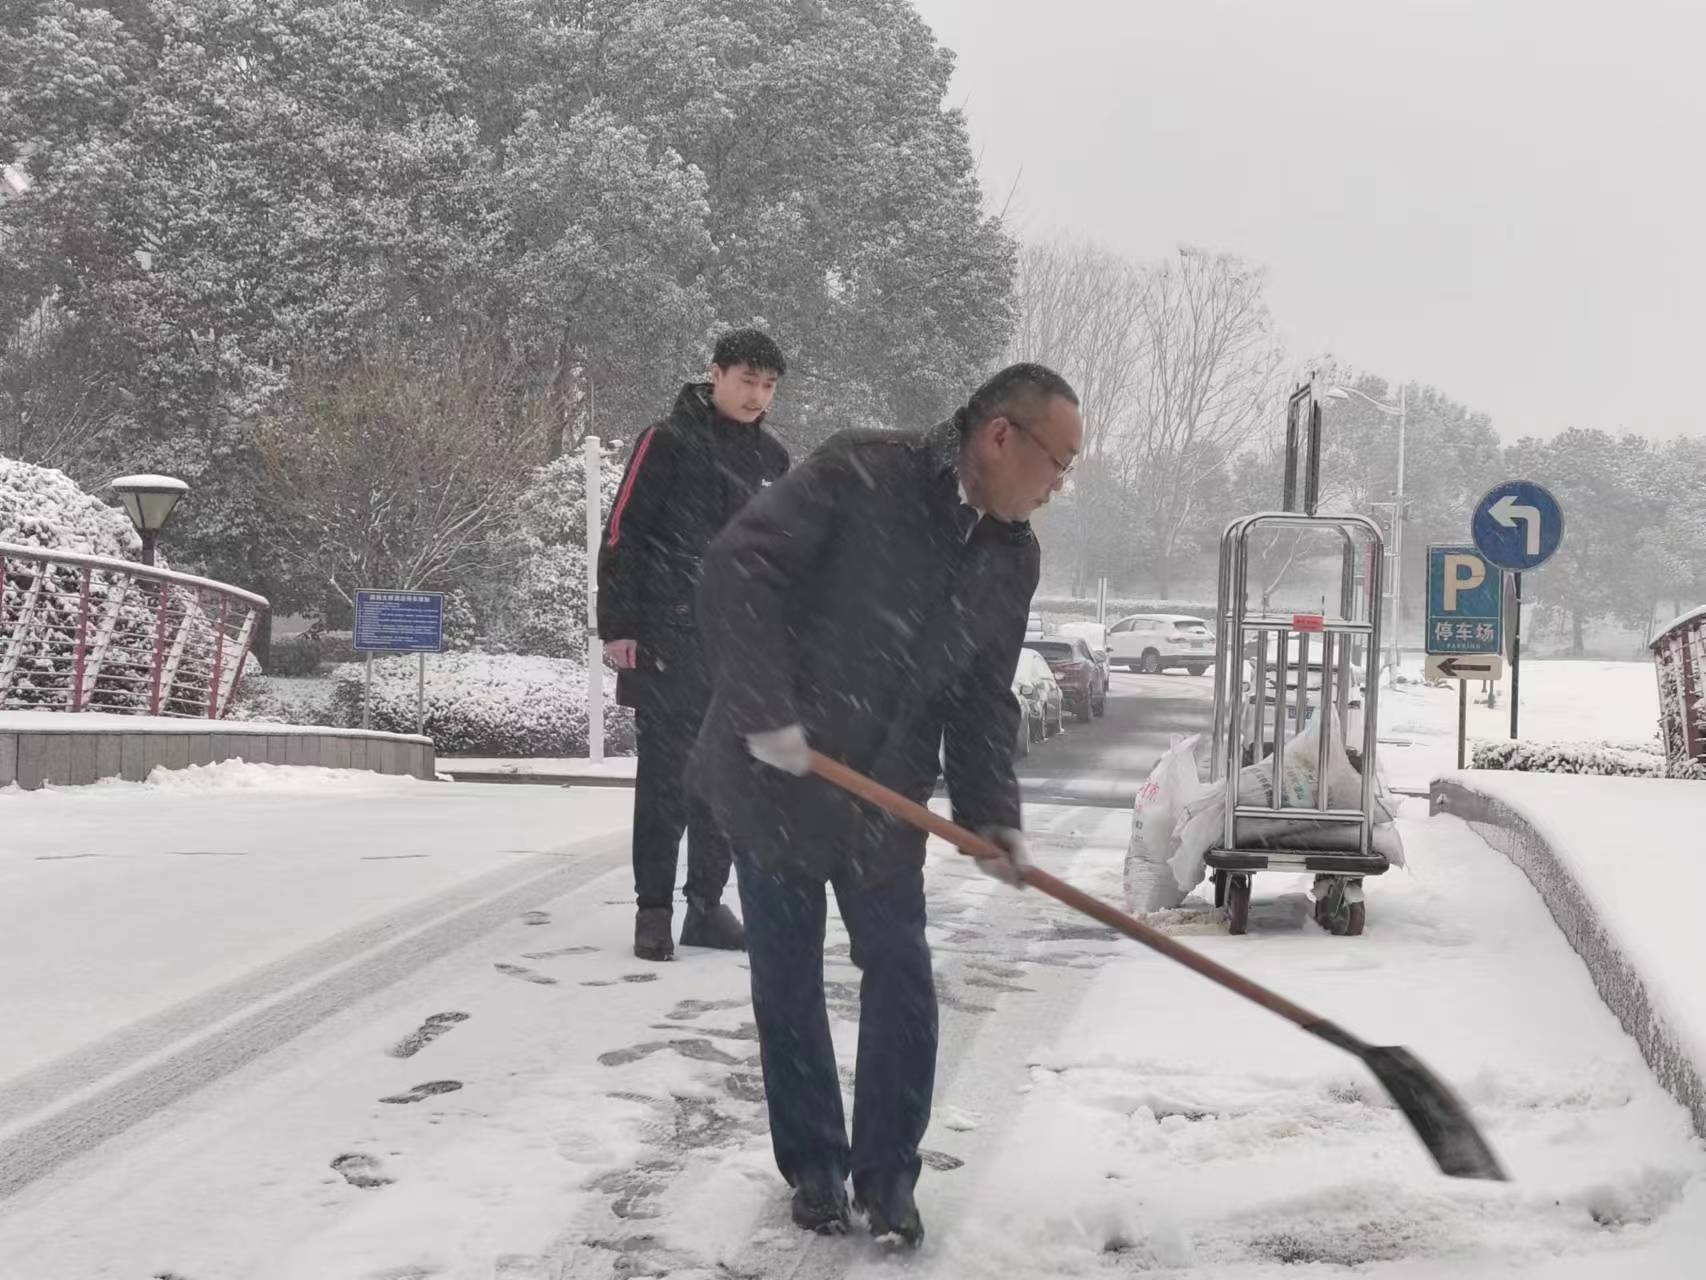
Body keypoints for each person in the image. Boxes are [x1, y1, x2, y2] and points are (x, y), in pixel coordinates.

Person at [690, 363, 1083, 1246]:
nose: (1061, 486)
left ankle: (889, 1177)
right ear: (1000, 436)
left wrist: (992, 816)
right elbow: (737, 566)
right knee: (787, 979)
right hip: (773, 776)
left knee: (902, 974)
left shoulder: (1010, 555)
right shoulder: (862, 471)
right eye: (1059, 462)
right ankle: (817, 1170)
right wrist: (766, 712)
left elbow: (983, 696)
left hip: (883, 795)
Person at [597, 328, 791, 962]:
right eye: (747, 381)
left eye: (768, 386)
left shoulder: (774, 461)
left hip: (739, 650)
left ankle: (705, 906)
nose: (758, 395)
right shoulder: (667, 441)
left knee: (724, 783)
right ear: (715, 374)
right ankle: (652, 911)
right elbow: (624, 532)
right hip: (666, 639)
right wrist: (620, 627)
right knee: (666, 781)